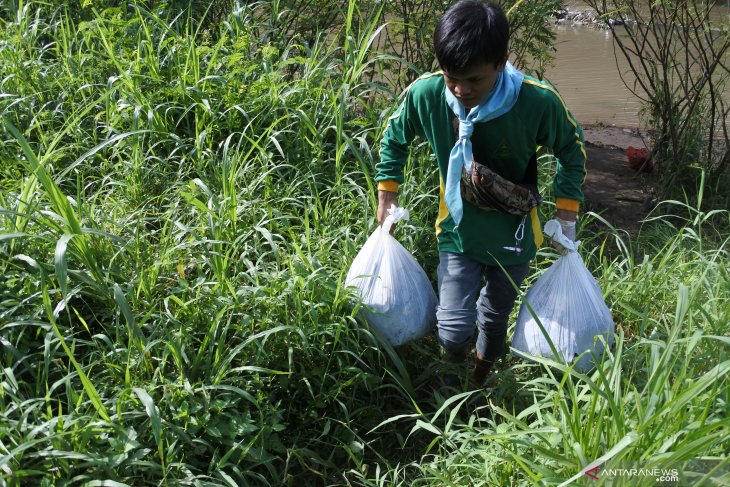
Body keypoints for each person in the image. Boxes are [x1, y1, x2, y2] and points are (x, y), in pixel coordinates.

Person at [374, 0, 586, 386]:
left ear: (501, 62)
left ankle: (478, 381)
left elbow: (572, 147)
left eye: (475, 79)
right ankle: (452, 377)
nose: (460, 88)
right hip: (458, 230)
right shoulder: (428, 94)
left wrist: (567, 212)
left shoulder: (535, 102)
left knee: (494, 317)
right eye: (451, 75)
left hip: (515, 235)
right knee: (453, 327)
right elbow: (394, 136)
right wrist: (387, 191)